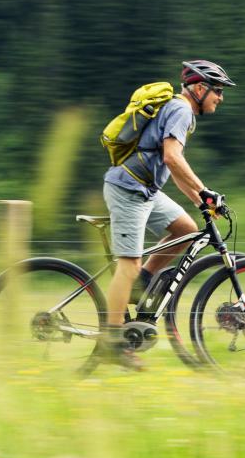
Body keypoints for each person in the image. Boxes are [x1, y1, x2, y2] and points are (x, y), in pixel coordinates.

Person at [101, 59, 236, 367]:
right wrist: (204, 191)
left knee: (187, 231)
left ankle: (141, 282)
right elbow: (172, 157)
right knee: (128, 264)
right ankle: (112, 341)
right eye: (217, 91)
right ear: (200, 88)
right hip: (128, 190)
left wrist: (201, 202)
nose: (221, 97)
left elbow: (173, 169)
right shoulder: (181, 109)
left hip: (146, 190)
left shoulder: (179, 110)